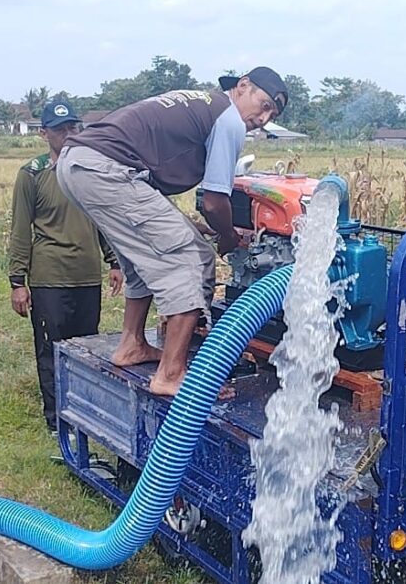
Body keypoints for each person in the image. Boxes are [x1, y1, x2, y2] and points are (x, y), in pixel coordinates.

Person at [55, 67, 287, 398]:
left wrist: (187, 225)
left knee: (142, 259)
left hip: (79, 164)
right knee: (193, 257)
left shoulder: (200, 103)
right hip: (106, 169)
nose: (263, 118)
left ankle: (131, 344)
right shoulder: (229, 118)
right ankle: (172, 373)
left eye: (271, 114)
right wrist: (229, 237)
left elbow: (147, 182)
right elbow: (214, 200)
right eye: (263, 105)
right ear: (243, 86)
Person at [8, 100, 124, 434]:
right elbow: (20, 228)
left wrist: (113, 261)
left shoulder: (87, 169)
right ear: (44, 133)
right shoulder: (32, 174)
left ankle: (82, 416)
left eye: (73, 127)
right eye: (60, 129)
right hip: (50, 276)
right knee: (51, 350)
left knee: (85, 350)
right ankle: (56, 420)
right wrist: (18, 280)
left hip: (86, 275)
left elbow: (101, 217)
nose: (68, 134)